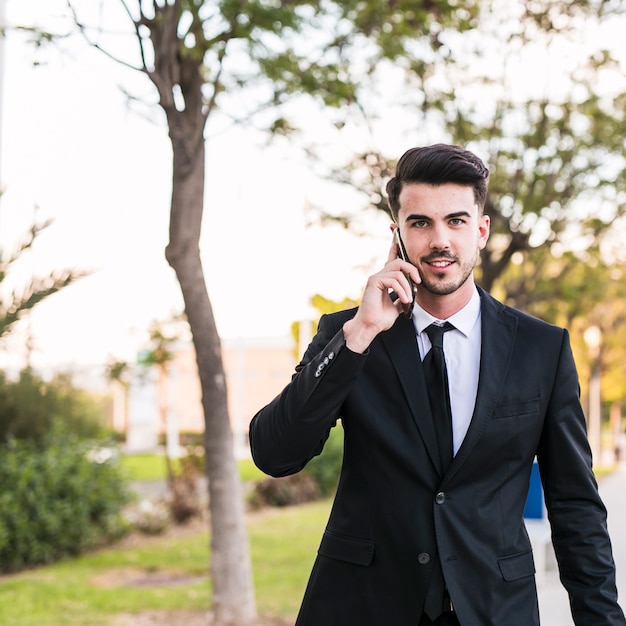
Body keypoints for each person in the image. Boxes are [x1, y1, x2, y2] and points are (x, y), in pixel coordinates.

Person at [249, 144, 625, 626]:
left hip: (494, 609)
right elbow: (274, 453)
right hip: (364, 605)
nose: (440, 240)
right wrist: (361, 334)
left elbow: (575, 505)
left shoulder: (541, 349)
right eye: (420, 223)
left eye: (457, 221)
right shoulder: (350, 335)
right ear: (397, 234)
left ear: (482, 230)